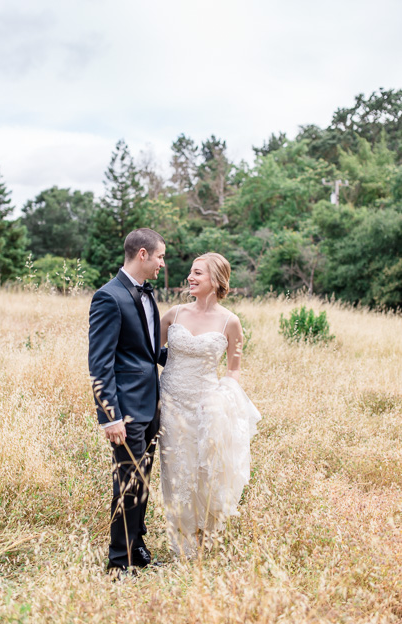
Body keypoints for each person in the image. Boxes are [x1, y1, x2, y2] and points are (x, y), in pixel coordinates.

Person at [159, 252, 261, 557]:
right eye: (191, 272)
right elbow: (146, 353)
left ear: (216, 281)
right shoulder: (173, 315)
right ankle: (182, 542)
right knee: (176, 471)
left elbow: (234, 369)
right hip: (171, 403)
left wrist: (222, 400)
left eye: (198, 273)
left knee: (205, 472)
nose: (190, 277)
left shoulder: (231, 322)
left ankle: (206, 536)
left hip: (206, 406)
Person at [88, 228, 167, 574]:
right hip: (126, 410)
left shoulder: (148, 295)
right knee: (127, 483)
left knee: (143, 482)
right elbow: (100, 362)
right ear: (143, 255)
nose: (163, 263)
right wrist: (110, 416)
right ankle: (118, 563)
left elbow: (146, 352)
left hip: (151, 406)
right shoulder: (109, 297)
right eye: (160, 256)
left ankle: (136, 546)